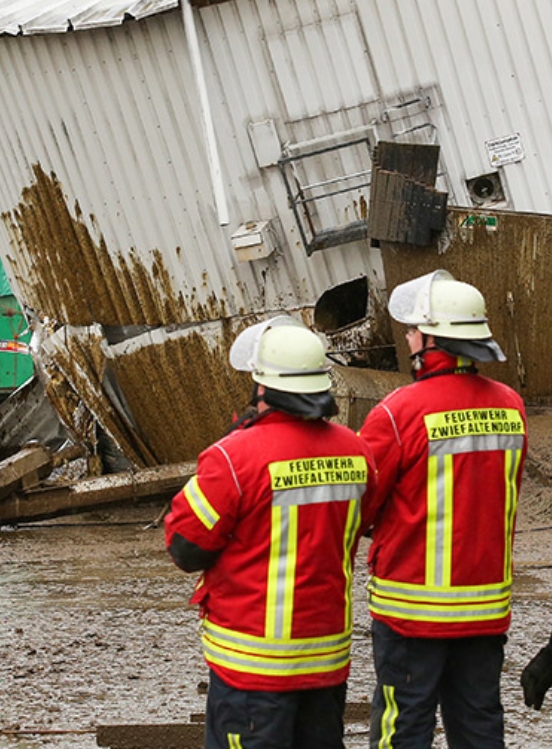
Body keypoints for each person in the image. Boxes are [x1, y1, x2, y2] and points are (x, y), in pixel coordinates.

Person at [164, 316, 385, 749]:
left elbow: (186, 548)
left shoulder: (232, 457)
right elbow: (366, 522)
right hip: (326, 660)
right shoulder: (356, 450)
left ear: (261, 387)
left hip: (251, 665)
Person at [360, 270, 527, 749]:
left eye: (414, 329)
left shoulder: (398, 412)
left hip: (412, 607)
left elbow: (362, 506)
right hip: (485, 606)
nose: (409, 336)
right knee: (478, 725)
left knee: (403, 725)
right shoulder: (510, 407)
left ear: (432, 338)